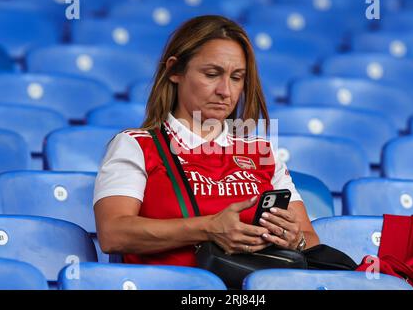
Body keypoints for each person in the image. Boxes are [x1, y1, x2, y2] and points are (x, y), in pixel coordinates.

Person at [94, 15, 320, 267]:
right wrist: (208, 228)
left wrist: (294, 239)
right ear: (174, 70)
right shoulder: (136, 144)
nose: (225, 90)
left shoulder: (262, 151)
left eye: (237, 78)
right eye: (212, 74)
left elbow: (311, 240)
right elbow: (113, 233)